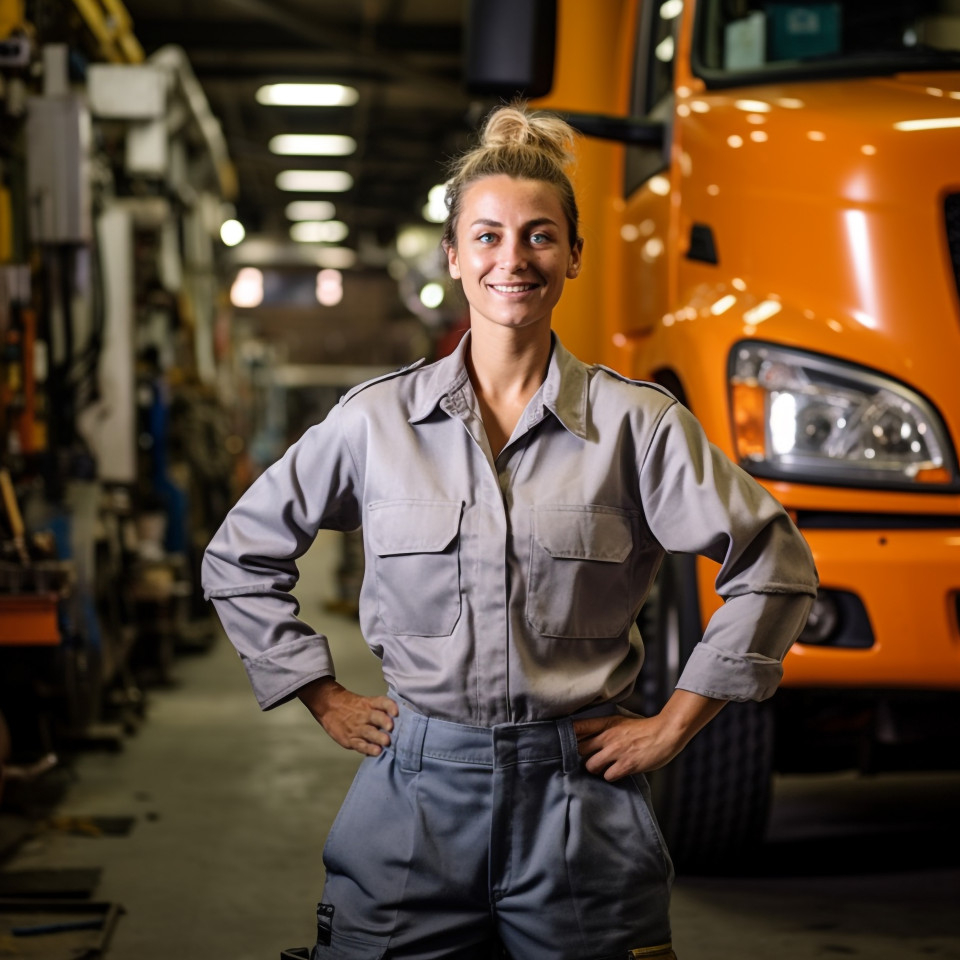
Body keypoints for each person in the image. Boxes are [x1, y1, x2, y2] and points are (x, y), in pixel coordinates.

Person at [202, 103, 818, 960]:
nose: (513, 259)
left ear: (572, 254)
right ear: (454, 256)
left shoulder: (636, 426)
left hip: (580, 803)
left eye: (538, 236)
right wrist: (320, 692)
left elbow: (775, 563)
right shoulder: (374, 423)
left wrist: (676, 723)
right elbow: (238, 555)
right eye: (487, 236)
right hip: (412, 800)